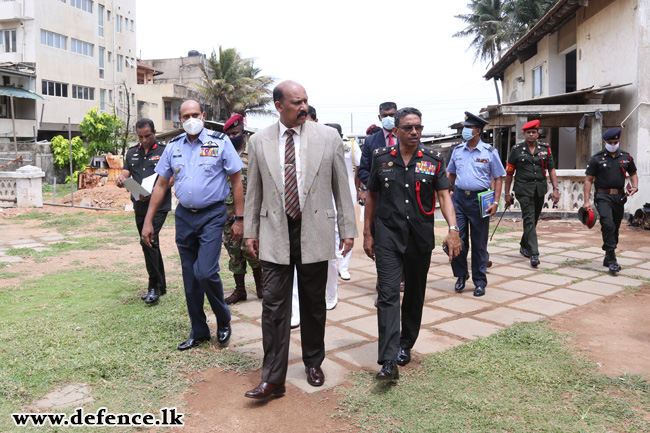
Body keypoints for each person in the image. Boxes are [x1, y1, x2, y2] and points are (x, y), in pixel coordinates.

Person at [243, 81, 357, 399]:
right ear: (279, 106)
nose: (304, 107)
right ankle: (273, 379)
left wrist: (348, 229)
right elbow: (254, 191)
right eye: (297, 102)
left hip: (316, 229)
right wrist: (250, 230)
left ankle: (313, 362)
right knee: (274, 307)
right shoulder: (259, 140)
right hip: (274, 232)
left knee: (313, 303)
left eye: (306, 101)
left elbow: (341, 187)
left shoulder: (328, 137)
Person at [364, 107, 461, 381]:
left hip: (419, 238)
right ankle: (388, 359)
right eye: (408, 127)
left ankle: (406, 344)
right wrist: (368, 233)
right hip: (387, 237)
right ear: (395, 131)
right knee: (387, 294)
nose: (415, 132)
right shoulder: (381, 158)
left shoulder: (432, 159)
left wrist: (453, 229)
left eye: (418, 127)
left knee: (415, 294)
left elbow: (444, 196)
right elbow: (371, 195)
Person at [142, 100, 244, 351]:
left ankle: (223, 319)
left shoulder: (220, 142)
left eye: (195, 114)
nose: (191, 119)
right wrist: (148, 221)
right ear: (180, 120)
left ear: (204, 115)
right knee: (190, 277)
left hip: (212, 214)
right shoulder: (173, 147)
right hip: (185, 216)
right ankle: (198, 330)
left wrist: (239, 219)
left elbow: (236, 180)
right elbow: (162, 184)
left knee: (206, 272)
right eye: (185, 115)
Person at [447, 112, 506, 297]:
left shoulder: (489, 152)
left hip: (480, 200)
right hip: (458, 200)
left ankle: (479, 281)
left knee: (479, 244)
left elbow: (498, 178)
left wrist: (496, 201)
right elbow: (451, 175)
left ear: (478, 130)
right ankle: (460, 275)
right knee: (457, 238)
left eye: (468, 127)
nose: (464, 130)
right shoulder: (457, 151)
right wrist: (446, 194)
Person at [116, 118, 172, 304]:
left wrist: (157, 190)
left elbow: (171, 178)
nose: (144, 140)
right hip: (139, 203)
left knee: (147, 241)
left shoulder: (164, 151)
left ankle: (153, 286)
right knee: (151, 243)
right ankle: (161, 284)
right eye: (140, 136)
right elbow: (126, 172)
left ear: (154, 132)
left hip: (159, 205)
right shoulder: (132, 152)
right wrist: (121, 178)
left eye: (148, 136)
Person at [504, 120, 560, 267]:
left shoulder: (545, 149)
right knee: (528, 218)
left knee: (533, 219)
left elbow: (552, 170)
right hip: (523, 189)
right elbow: (509, 173)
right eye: (528, 132)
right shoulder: (516, 150)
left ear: (537, 134)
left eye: (533, 132)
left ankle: (524, 245)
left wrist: (556, 188)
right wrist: (506, 193)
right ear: (524, 134)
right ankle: (534, 253)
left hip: (539, 188)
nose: (531, 134)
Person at [221, 113, 264, 304]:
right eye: (229, 134)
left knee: (253, 250)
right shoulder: (224, 153)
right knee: (233, 251)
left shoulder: (254, 152)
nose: (232, 137)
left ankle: (262, 287)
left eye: (235, 133)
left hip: (251, 211)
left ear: (243, 132)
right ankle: (240, 291)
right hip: (227, 212)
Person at [583, 128, 638, 273]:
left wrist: (635, 186)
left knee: (615, 226)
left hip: (619, 197)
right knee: (607, 224)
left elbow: (633, 173)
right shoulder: (597, 158)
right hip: (602, 196)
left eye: (615, 142)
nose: (613, 144)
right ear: (604, 142)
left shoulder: (626, 157)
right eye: (610, 142)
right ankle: (613, 259)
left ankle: (608, 254)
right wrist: (586, 201)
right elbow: (588, 180)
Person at [357, 102, 398, 204]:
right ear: (380, 117)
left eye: (392, 115)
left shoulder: (407, 138)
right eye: (385, 115)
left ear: (397, 116)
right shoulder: (370, 141)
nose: (388, 118)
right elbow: (363, 170)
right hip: (379, 196)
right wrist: (378, 184)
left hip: (403, 193)